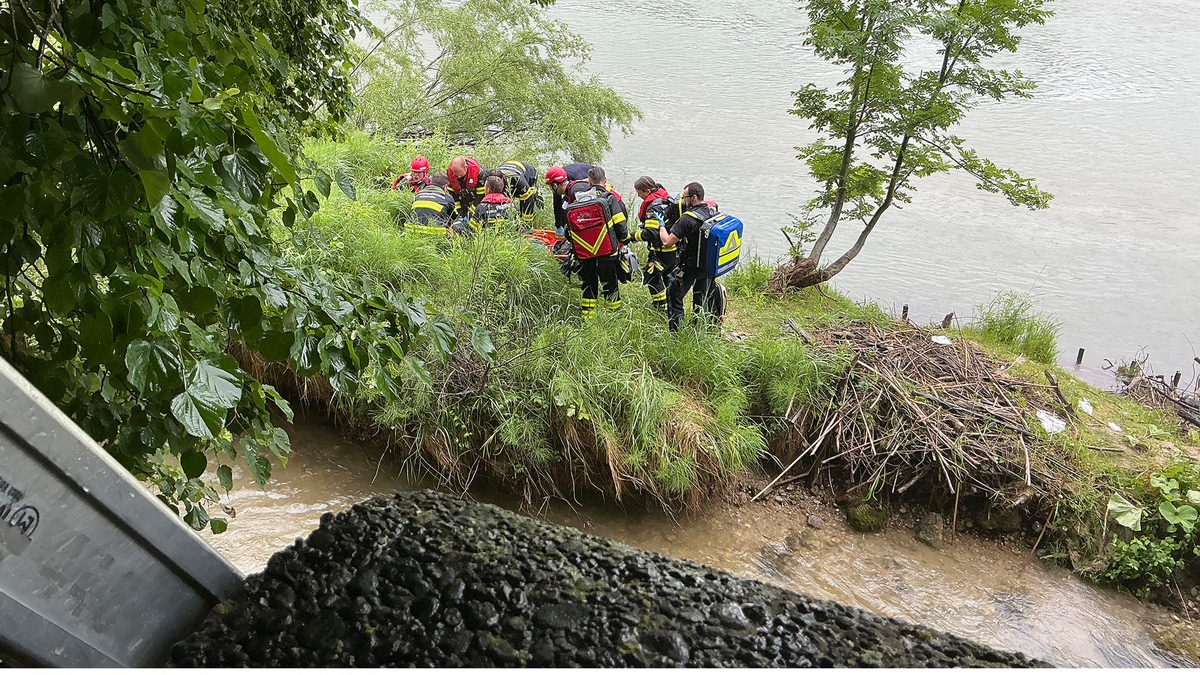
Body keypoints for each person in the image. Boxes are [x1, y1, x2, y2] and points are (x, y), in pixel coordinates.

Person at [557, 175, 628, 318]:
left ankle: (587, 319)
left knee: (588, 285)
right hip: (607, 252)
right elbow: (620, 225)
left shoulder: (574, 205)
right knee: (610, 284)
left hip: (584, 255)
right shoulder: (608, 198)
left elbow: (568, 233)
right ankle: (613, 317)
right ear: (604, 181)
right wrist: (623, 241)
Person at [658, 182, 718, 332]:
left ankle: (675, 333)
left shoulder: (687, 218)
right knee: (701, 298)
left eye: (685, 197)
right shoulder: (713, 212)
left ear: (694, 198)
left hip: (690, 266)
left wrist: (661, 226)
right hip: (708, 265)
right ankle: (700, 329)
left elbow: (667, 242)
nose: (683, 201)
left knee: (673, 295)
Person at [631, 176, 676, 311]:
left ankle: (660, 306)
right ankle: (671, 305)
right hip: (672, 248)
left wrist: (632, 236)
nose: (639, 196)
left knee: (652, 277)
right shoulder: (665, 198)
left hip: (660, 250)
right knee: (668, 279)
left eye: (639, 193)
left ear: (648, 191)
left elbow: (650, 233)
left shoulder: (653, 207)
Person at [545, 163, 595, 236]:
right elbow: (557, 204)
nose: (551, 189)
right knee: (564, 208)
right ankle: (565, 231)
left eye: (550, 187)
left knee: (571, 209)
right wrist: (558, 225)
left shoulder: (576, 186)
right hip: (573, 176)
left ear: (555, 185)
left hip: (590, 175)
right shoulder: (557, 181)